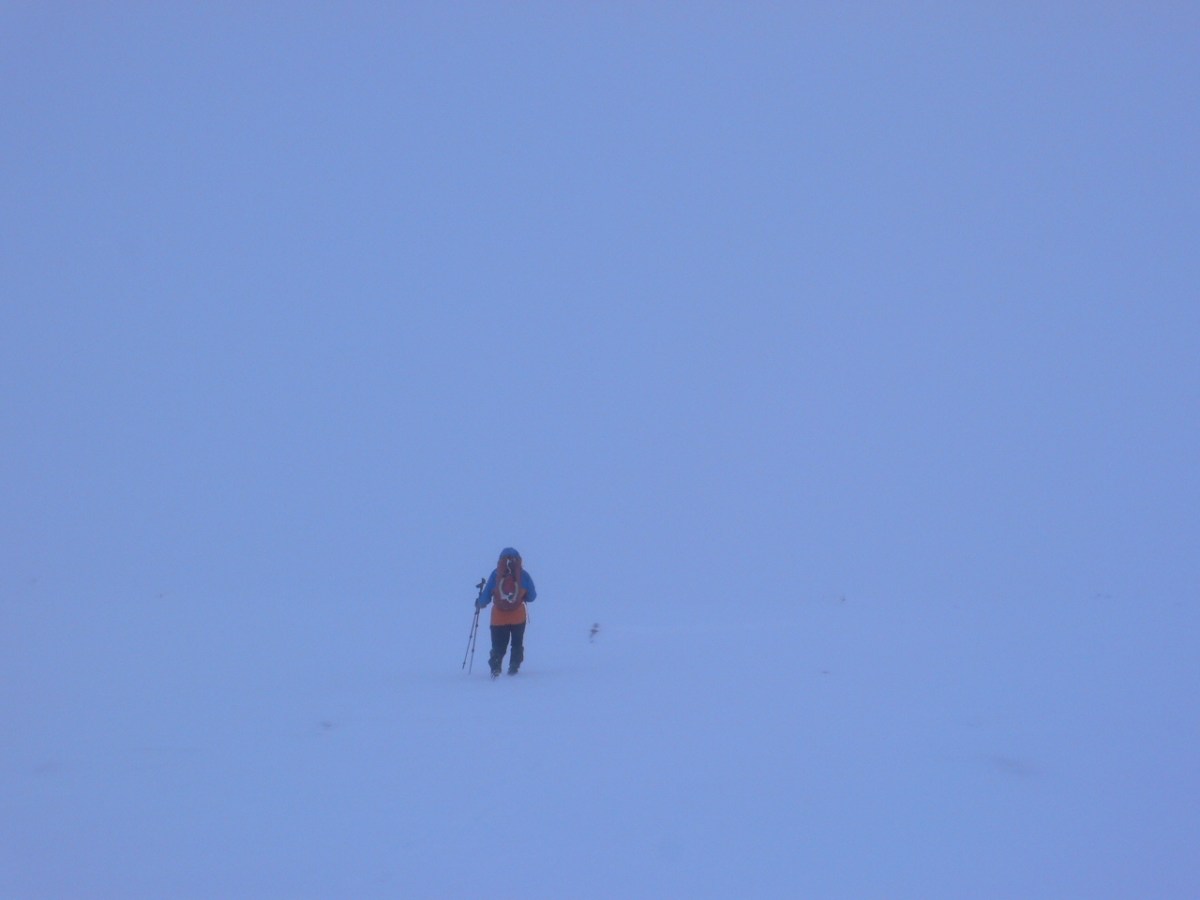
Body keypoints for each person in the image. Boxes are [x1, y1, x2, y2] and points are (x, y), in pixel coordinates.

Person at [476, 547, 537, 676]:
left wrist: (479, 602)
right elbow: (532, 597)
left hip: (498, 618)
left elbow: (485, 598)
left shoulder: (495, 575)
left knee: (498, 645)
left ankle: (496, 667)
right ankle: (514, 667)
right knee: (517, 643)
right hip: (518, 617)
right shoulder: (524, 575)